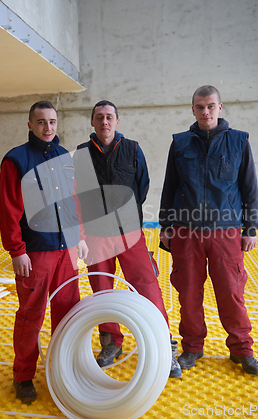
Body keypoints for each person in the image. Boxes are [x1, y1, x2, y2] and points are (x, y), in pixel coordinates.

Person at [159, 85, 258, 376]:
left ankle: (242, 350)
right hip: (185, 231)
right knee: (188, 292)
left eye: (210, 106)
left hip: (225, 231)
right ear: (192, 109)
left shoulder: (239, 141)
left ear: (220, 107)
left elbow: (249, 188)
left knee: (231, 292)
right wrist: (165, 226)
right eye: (199, 107)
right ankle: (192, 347)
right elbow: (169, 187)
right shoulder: (180, 144)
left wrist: (251, 228)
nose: (205, 112)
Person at [73, 100, 182, 378]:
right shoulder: (81, 154)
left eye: (109, 117)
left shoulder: (133, 149)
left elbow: (142, 186)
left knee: (146, 285)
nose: (104, 122)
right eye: (99, 117)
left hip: (129, 231)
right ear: (92, 122)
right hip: (97, 234)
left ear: (117, 121)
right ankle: (110, 343)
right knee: (102, 290)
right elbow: (77, 196)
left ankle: (162, 343)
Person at [0, 100, 89, 402]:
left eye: (51, 121)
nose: (47, 127)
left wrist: (81, 237)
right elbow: (10, 210)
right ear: (30, 125)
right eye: (41, 122)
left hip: (66, 250)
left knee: (67, 314)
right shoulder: (16, 160)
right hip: (35, 252)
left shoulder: (64, 156)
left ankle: (63, 368)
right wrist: (16, 251)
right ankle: (23, 375)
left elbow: (75, 200)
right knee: (31, 316)